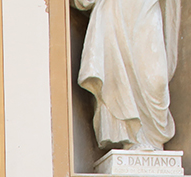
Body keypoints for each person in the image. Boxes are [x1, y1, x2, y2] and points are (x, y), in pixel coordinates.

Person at [72, 0, 181, 151]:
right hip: (116, 11)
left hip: (147, 8)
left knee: (157, 80)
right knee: (118, 78)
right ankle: (132, 139)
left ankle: (153, 140)